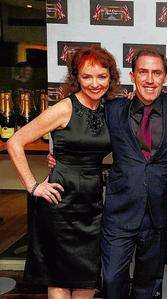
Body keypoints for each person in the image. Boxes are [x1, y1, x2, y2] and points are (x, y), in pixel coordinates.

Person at [7, 46, 121, 298]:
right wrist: (33, 185)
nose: (94, 83)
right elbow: (15, 141)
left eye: (101, 76)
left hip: (91, 205)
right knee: (57, 277)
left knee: (86, 279)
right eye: (86, 76)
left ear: (110, 78)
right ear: (76, 78)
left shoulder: (108, 110)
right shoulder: (64, 108)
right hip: (59, 203)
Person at [100, 47, 167, 298]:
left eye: (156, 73)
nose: (150, 79)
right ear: (132, 75)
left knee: (147, 286)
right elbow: (85, 136)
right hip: (120, 211)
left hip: (158, 214)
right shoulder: (113, 109)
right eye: (143, 72)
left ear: (165, 77)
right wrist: (60, 157)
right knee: (111, 280)